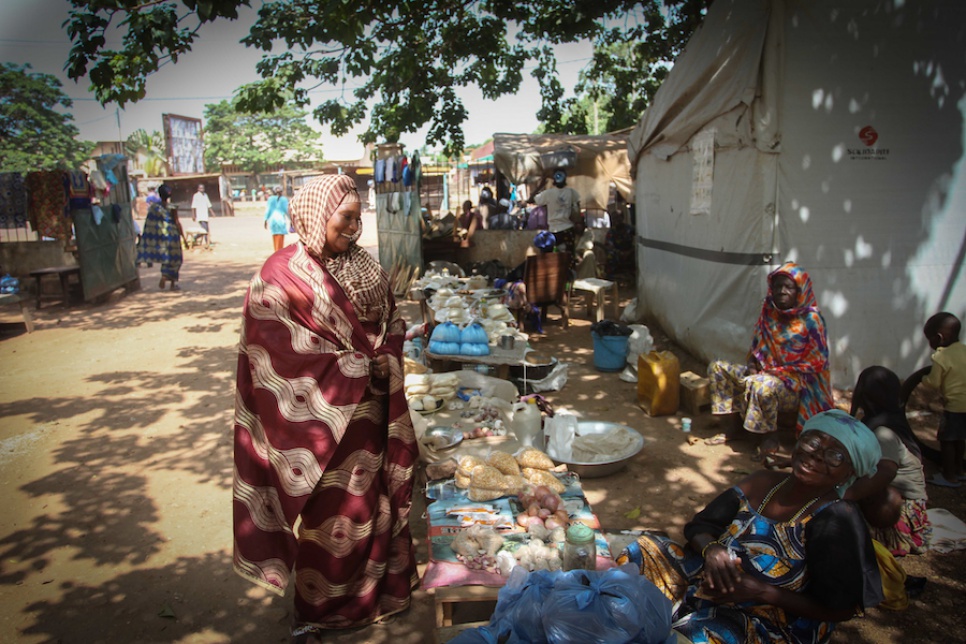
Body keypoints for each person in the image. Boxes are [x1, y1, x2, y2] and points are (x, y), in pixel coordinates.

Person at [232, 174, 418, 642]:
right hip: (321, 425)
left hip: (372, 413)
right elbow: (274, 348)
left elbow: (392, 316)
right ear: (317, 216)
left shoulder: (365, 267)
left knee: (373, 507)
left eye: (359, 218)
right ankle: (321, 609)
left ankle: (375, 597)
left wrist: (387, 353)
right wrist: (358, 365)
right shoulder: (279, 274)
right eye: (346, 218)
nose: (354, 228)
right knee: (332, 516)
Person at [617, 409, 883, 644]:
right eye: (812, 440)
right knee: (640, 552)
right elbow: (700, 526)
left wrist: (761, 591)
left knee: (697, 636)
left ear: (849, 473)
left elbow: (841, 609)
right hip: (709, 584)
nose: (816, 454)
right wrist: (712, 550)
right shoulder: (762, 482)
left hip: (770, 621)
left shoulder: (835, 519)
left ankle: (675, 620)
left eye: (835, 455)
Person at [708, 262, 833, 460]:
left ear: (800, 291)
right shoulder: (769, 312)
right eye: (777, 286)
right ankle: (734, 427)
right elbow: (757, 349)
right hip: (767, 374)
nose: (782, 291)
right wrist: (752, 365)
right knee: (718, 368)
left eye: (788, 287)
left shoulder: (812, 321)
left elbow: (816, 364)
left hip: (797, 387)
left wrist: (774, 373)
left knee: (762, 384)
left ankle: (769, 437)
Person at [847, 365, 932, 556]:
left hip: (897, 508)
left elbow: (885, 472)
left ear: (865, 396)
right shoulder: (885, 420)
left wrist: (848, 494)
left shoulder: (883, 432)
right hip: (893, 501)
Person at [904, 312, 966, 488]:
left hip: (953, 407)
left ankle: (948, 476)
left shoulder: (941, 357)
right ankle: (960, 470)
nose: (930, 344)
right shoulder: (964, 350)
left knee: (947, 440)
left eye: (929, 339)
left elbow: (934, 382)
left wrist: (924, 379)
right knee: (960, 438)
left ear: (939, 338)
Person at [136, 184, 186, 291]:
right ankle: (172, 283)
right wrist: (184, 238)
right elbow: (177, 223)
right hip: (173, 236)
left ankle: (164, 275)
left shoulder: (154, 207)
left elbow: (150, 223)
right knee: (176, 259)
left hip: (162, 237)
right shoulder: (172, 207)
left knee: (166, 258)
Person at [533, 169, 581, 255]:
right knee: (569, 258)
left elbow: (532, 199)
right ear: (565, 178)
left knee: (552, 260)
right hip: (568, 230)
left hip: (553, 231)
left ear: (554, 179)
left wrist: (541, 185)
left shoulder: (548, 193)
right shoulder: (572, 192)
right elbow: (578, 207)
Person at [263, 186, 290, 252]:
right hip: (280, 221)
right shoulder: (284, 199)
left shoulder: (270, 199)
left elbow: (268, 210)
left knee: (274, 238)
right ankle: (278, 253)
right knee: (280, 240)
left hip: (272, 221)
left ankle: (275, 252)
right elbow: (287, 211)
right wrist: (291, 219)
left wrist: (265, 220)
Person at [191, 183, 214, 247]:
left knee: (206, 229)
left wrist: (212, 212)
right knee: (205, 230)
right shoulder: (196, 196)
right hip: (200, 216)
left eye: (203, 188)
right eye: (200, 188)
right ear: (198, 189)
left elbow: (208, 204)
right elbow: (193, 206)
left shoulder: (205, 195)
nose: (202, 189)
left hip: (205, 215)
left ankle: (195, 238)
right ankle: (207, 242)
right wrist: (193, 215)